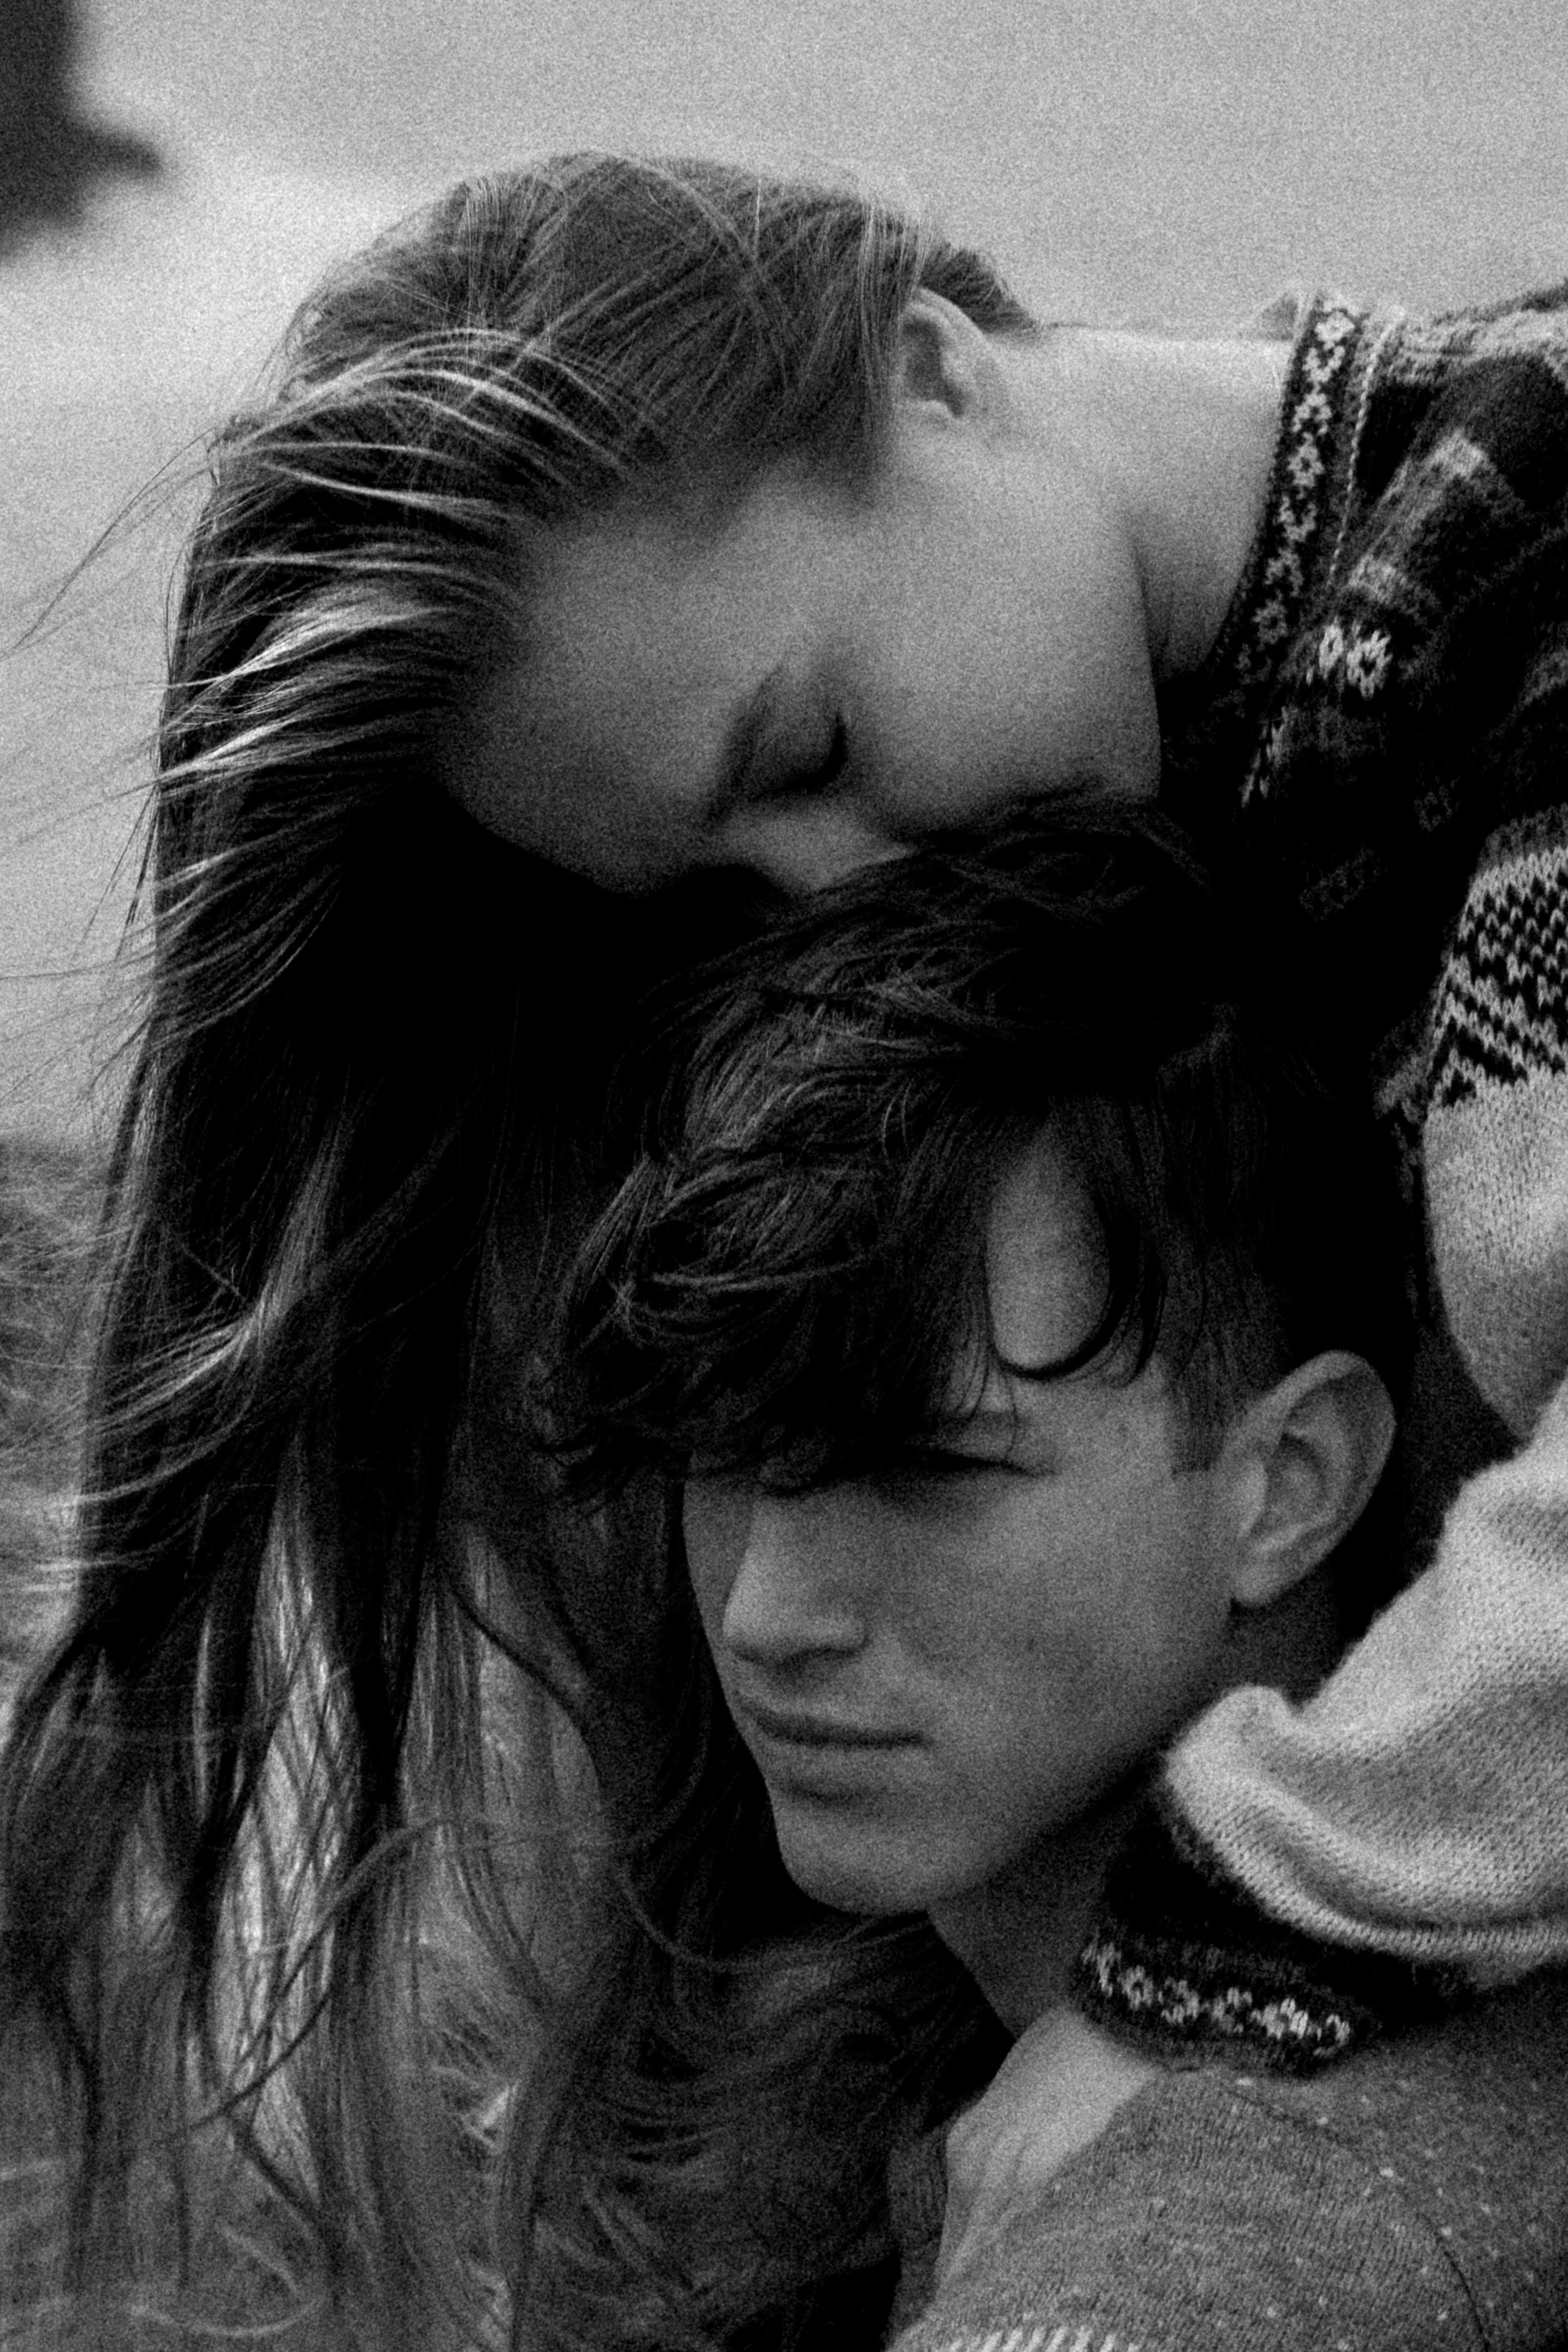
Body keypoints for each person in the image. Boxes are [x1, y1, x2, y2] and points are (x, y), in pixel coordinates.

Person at [1, 150, 1565, 2341]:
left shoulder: (1532, 580)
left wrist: (1226, 1960)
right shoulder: (1229, 761)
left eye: (805, 744)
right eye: (720, 885)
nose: (835, 893)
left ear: (926, 375)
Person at [547, 804, 1568, 2348]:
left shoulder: (1253, 2238)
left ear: (1287, 1483)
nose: (765, 1613)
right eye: (720, 1452)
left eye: (929, 1466)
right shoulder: (863, 2078)